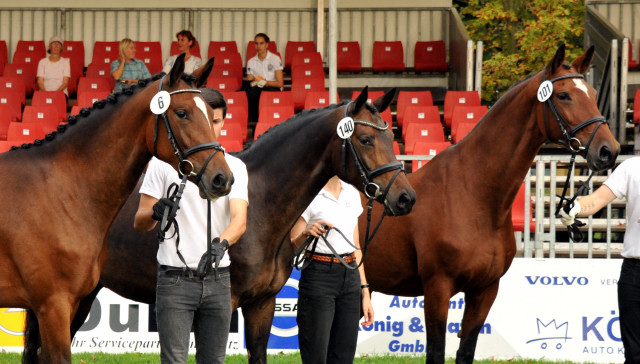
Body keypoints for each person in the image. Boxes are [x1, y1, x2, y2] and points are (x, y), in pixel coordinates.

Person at [133, 88, 247, 364]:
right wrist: (157, 211)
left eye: (218, 121)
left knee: (214, 360)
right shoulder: (162, 166)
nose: (213, 127)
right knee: (174, 360)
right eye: (209, 120)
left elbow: (239, 220)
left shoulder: (234, 167)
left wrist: (222, 244)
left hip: (218, 278)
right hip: (175, 278)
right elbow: (140, 223)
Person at [560, 157, 640, 363]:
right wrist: (575, 208)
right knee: (634, 352)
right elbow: (596, 200)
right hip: (635, 271)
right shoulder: (632, 167)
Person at [290, 175, 374, 364]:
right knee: (316, 355)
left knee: (344, 356)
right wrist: (306, 233)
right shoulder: (308, 193)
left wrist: (365, 292)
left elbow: (356, 246)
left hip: (351, 275)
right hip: (318, 275)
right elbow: (292, 246)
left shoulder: (352, 193)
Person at [245, 33, 284, 123]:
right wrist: (254, 81)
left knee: (254, 92)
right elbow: (250, 82)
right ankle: (255, 122)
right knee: (252, 90)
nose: (259, 46)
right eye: (256, 43)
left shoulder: (275, 59)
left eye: (261, 43)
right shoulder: (251, 61)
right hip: (258, 87)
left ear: (267, 44)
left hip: (272, 88)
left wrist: (266, 82)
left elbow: (280, 83)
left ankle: (255, 122)